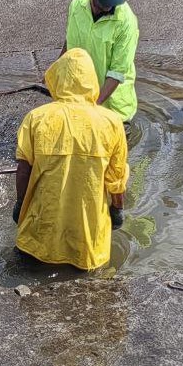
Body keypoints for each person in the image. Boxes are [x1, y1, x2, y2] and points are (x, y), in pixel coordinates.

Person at [12, 48, 129, 270]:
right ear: (92, 81)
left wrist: (20, 204)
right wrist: (117, 209)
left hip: (40, 235)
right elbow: (117, 179)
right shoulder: (111, 122)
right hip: (88, 241)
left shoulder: (37, 118)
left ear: (57, 78)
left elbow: (23, 170)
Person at [64, 0, 140, 123]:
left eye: (113, 0)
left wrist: (94, 106)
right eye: (105, 1)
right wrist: (57, 69)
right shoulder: (77, 6)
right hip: (82, 98)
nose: (110, 6)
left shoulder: (126, 22)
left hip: (114, 110)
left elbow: (117, 73)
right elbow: (70, 40)